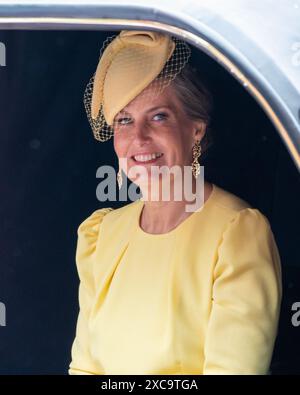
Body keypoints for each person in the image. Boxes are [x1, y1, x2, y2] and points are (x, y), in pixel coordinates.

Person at [68, 30, 282, 375]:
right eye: (124, 119)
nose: (138, 137)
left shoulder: (237, 233)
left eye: (158, 116)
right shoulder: (101, 234)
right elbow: (85, 367)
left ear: (196, 129)